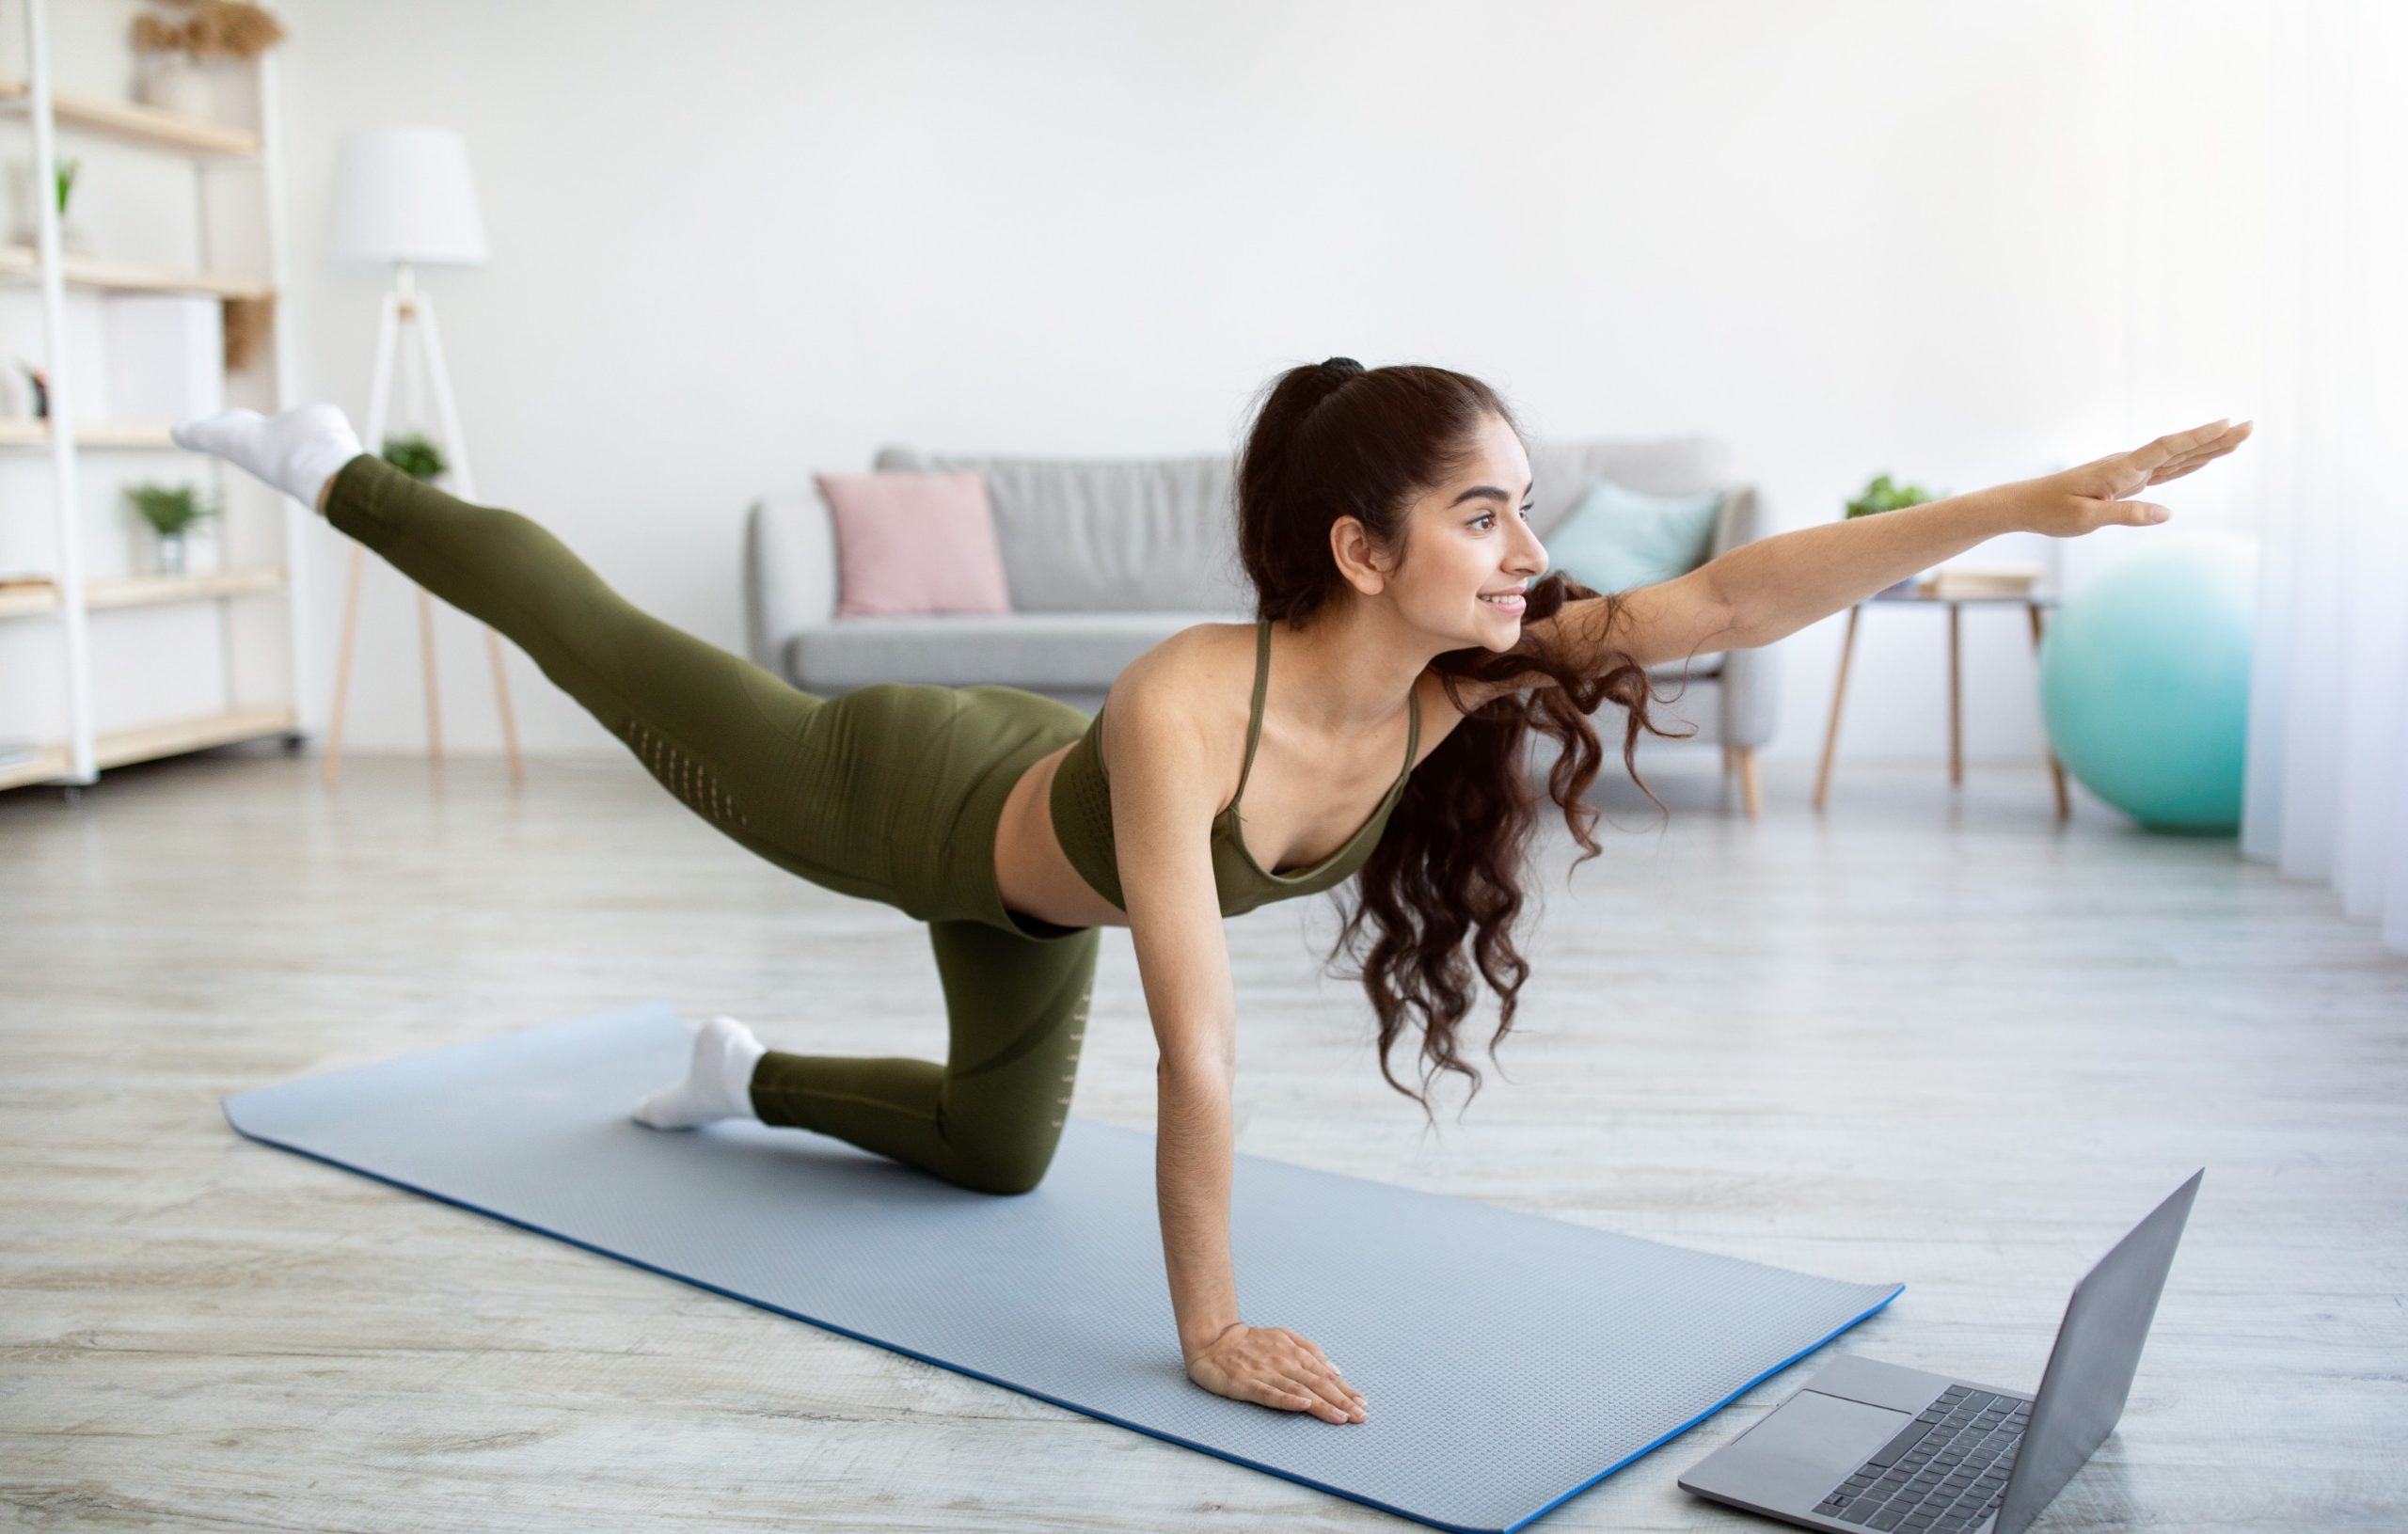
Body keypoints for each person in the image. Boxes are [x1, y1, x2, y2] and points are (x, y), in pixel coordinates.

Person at [173, 363, 2250, 1430]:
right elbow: (1200, 1044)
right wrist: (1210, 1328)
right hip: (894, 798)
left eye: (1525, 506)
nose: (1527, 546)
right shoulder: (1184, 704)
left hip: (1033, 892)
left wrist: (2011, 499)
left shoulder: (1457, 682)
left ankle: (743, 1075)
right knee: (604, 643)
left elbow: (1715, 597)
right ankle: (339, 466)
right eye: (1483, 509)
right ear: (1360, 549)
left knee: (991, 1162)